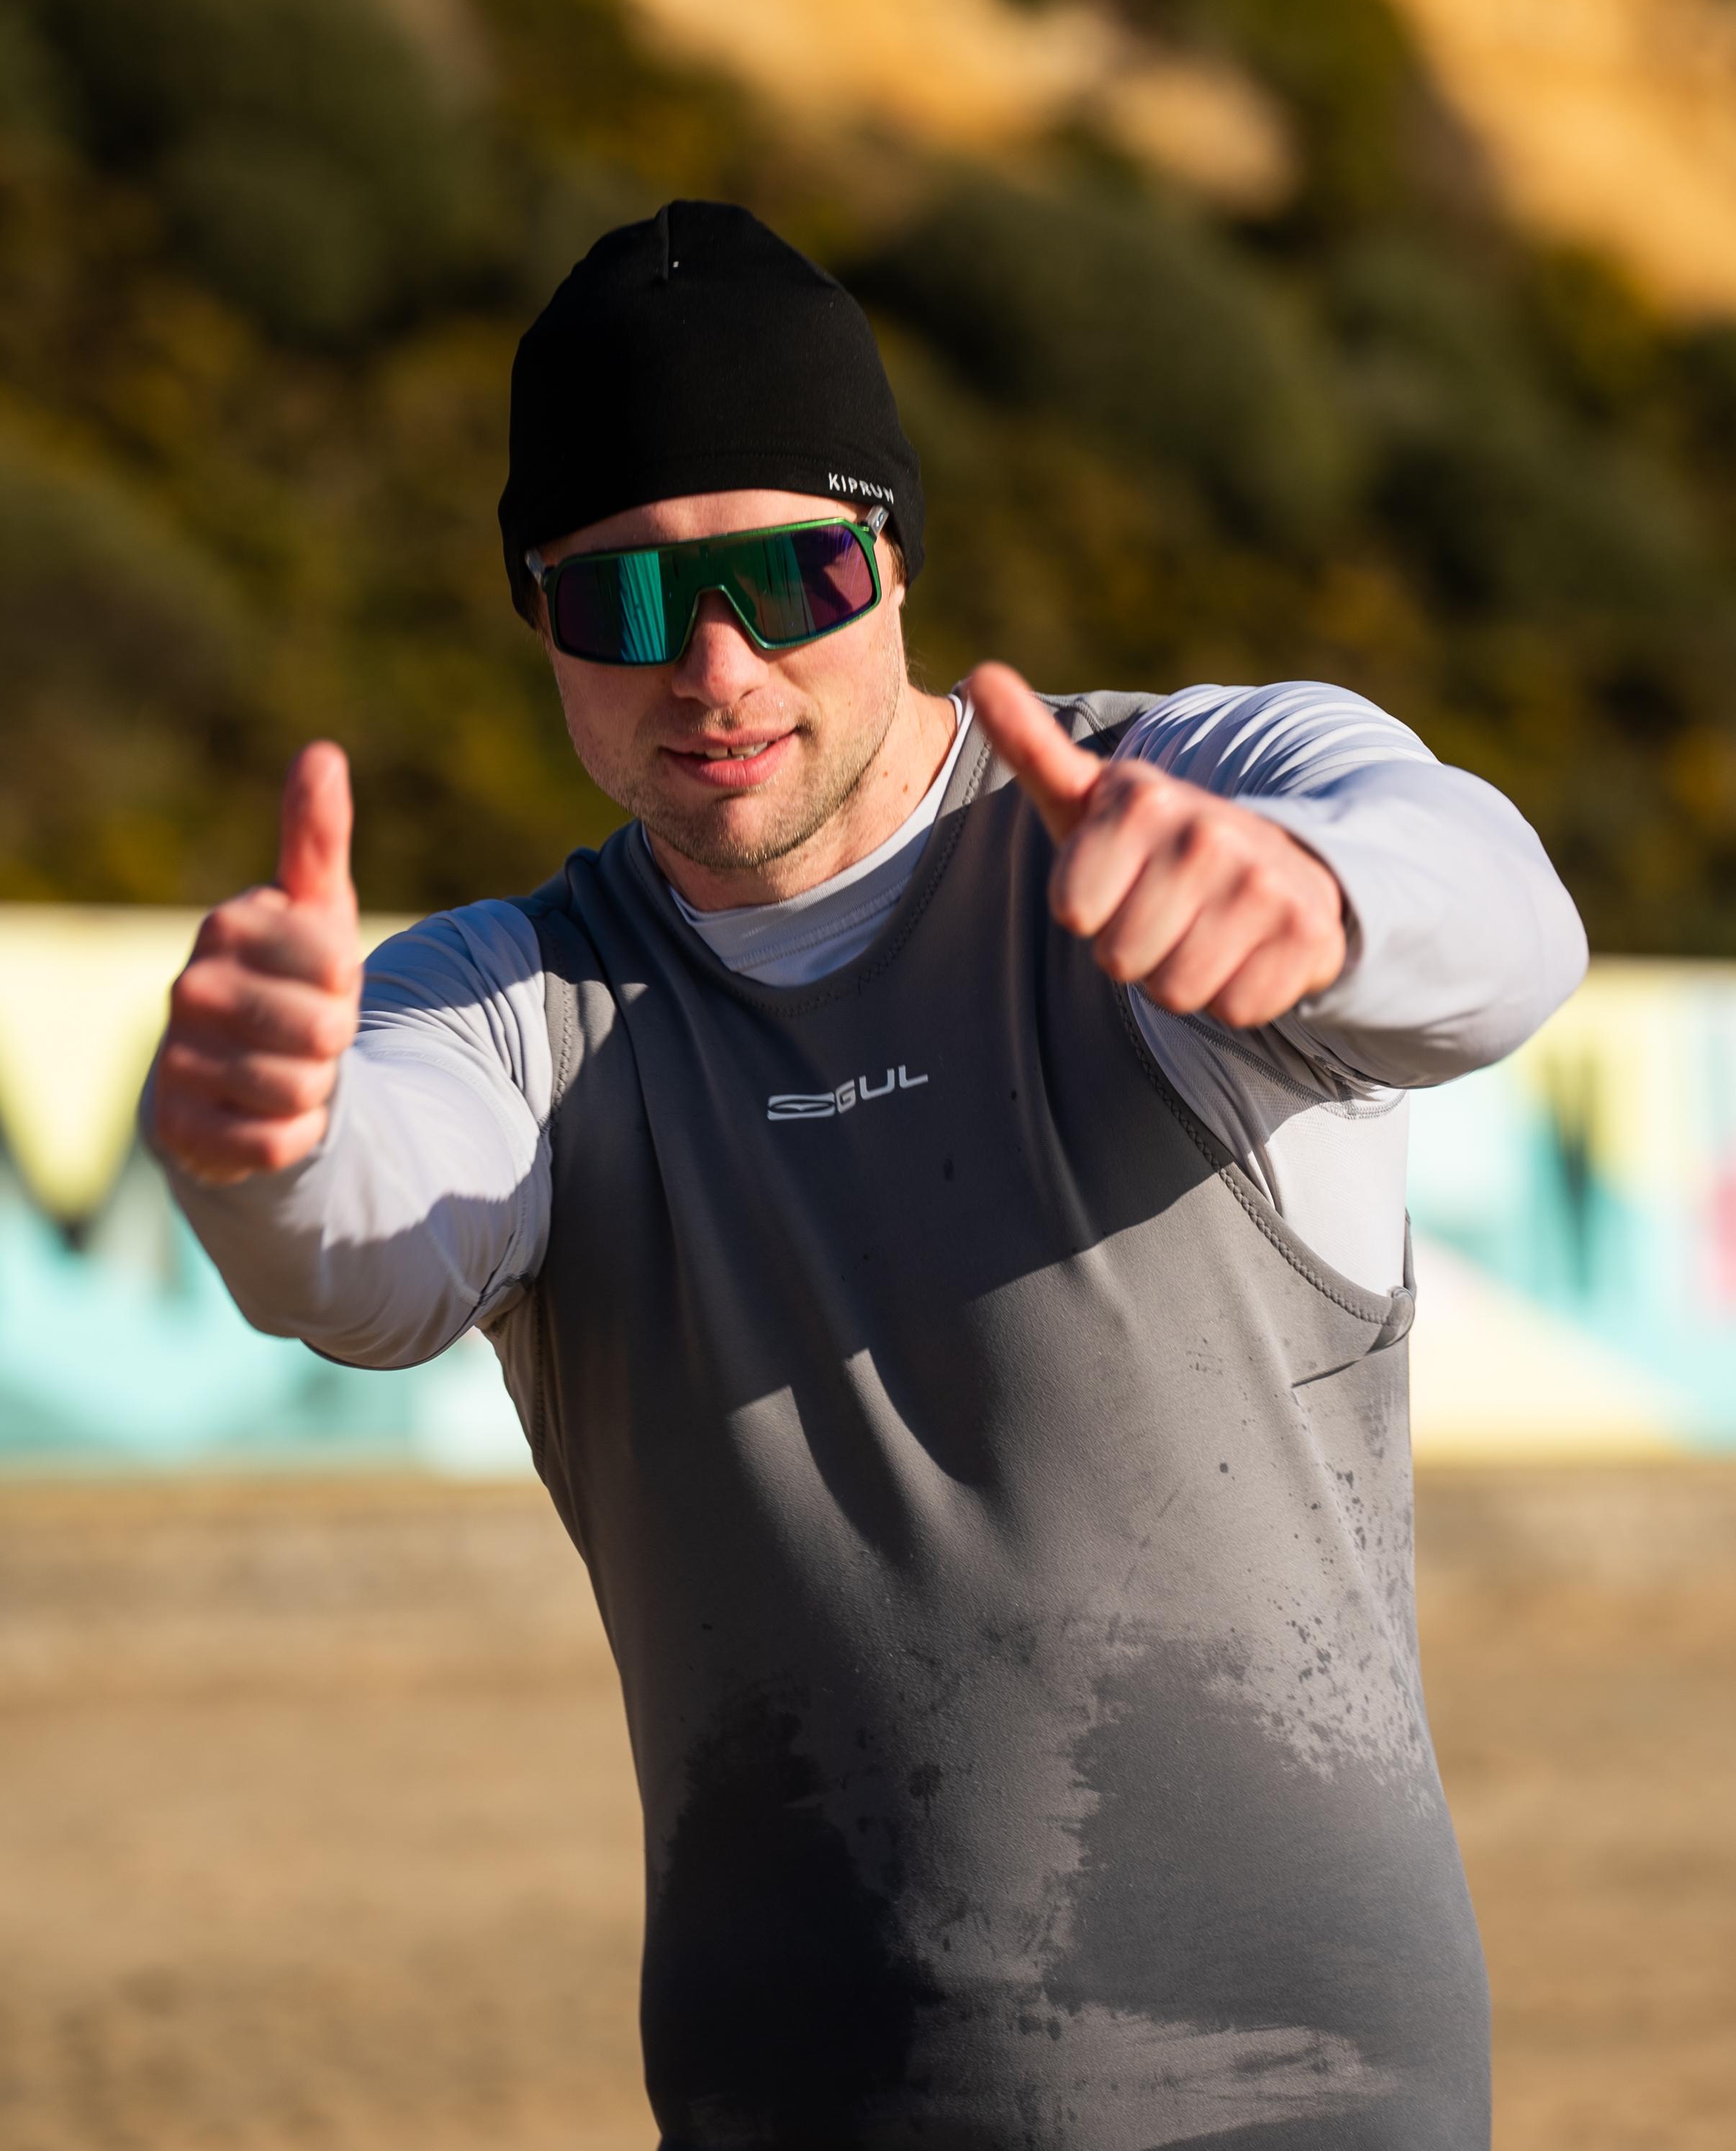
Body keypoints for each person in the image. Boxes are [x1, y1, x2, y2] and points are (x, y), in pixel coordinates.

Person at [147, 200, 1586, 2150]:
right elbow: (370, 1241)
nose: (715, 666)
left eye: (788, 573)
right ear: (535, 617)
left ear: (893, 555)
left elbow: (1491, 902)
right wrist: (269, 1147)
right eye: (624, 602)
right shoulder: (508, 1006)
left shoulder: (1189, 799)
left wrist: (1319, 903)